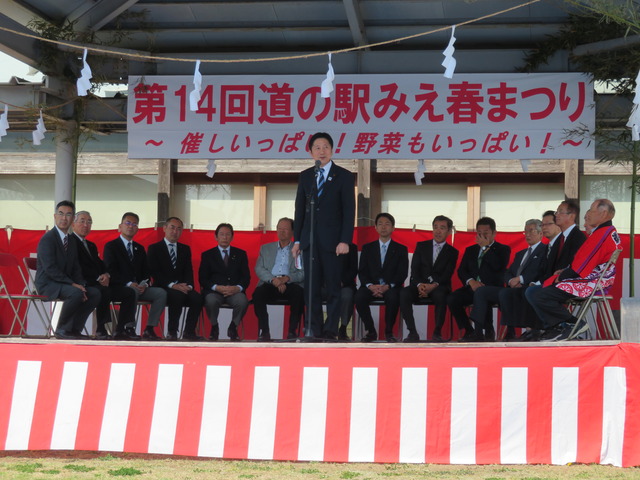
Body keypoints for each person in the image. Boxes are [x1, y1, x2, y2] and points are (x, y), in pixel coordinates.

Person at [291, 132, 355, 341]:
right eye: (317, 147)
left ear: (332, 150)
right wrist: (297, 240)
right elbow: (300, 211)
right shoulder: (306, 176)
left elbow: (349, 211)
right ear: (311, 152)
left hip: (334, 243)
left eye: (325, 146)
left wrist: (345, 240)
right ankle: (313, 329)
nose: (322, 151)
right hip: (310, 242)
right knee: (311, 289)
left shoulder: (343, 176)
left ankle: (330, 330)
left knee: (333, 289)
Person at [527, 199, 621, 341]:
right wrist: (565, 271)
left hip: (591, 282)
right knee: (537, 291)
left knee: (539, 293)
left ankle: (571, 324)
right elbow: (584, 263)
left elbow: (582, 266)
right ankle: (559, 326)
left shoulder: (602, 235)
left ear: (603, 214)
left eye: (591, 210)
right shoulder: (606, 232)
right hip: (593, 278)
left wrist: (562, 275)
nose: (587, 214)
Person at [469, 219, 546, 341]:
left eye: (531, 231)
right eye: (525, 231)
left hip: (529, 287)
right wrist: (510, 280)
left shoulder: (545, 251)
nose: (528, 234)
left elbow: (540, 271)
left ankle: (511, 333)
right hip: (512, 287)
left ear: (541, 234)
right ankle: (478, 333)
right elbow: (507, 272)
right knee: (481, 291)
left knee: (506, 293)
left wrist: (521, 279)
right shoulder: (521, 253)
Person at [35, 200, 100, 339]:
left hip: (64, 284)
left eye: (68, 214)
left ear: (72, 219)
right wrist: (72, 284)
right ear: (55, 216)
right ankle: (62, 329)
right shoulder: (48, 239)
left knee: (94, 293)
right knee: (75, 293)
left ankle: (75, 329)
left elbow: (76, 267)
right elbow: (50, 269)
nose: (64, 218)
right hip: (48, 284)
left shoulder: (71, 241)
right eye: (61, 214)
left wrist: (81, 284)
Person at [72, 210, 137, 340]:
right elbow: (77, 266)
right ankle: (101, 329)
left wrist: (106, 274)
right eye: (82, 221)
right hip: (82, 283)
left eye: (89, 222)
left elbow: (100, 264)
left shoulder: (90, 245)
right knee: (103, 291)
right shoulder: (70, 242)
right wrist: (98, 278)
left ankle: (121, 330)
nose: (86, 225)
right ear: (73, 224)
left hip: (98, 282)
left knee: (129, 292)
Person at [103, 212, 167, 340]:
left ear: (137, 229)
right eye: (127, 223)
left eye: (134, 224)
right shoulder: (111, 246)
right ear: (120, 226)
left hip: (138, 287)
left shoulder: (140, 248)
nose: (131, 226)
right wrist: (128, 283)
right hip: (119, 287)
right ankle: (127, 327)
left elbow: (146, 271)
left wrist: (145, 284)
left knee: (160, 293)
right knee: (131, 291)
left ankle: (149, 328)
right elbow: (111, 270)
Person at [447, 216, 510, 341]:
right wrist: (471, 281)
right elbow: (462, 270)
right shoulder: (471, 250)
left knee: (482, 294)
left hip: (493, 289)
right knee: (452, 298)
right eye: (479, 233)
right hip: (473, 287)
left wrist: (486, 248)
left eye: (485, 233)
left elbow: (498, 266)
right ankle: (469, 330)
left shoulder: (503, 249)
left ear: (494, 233)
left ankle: (485, 331)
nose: (482, 237)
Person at [400, 215, 459, 343]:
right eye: (435, 227)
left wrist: (433, 285)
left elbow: (447, 273)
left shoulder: (452, 252)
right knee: (404, 293)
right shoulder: (421, 246)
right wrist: (420, 284)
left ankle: (437, 332)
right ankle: (412, 332)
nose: (438, 231)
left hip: (439, 286)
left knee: (441, 295)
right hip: (419, 285)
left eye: (442, 228)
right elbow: (414, 268)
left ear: (449, 232)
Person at [147, 217, 204, 341]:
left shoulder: (185, 249)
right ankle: (172, 332)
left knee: (197, 298)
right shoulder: (154, 248)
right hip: (164, 286)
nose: (175, 231)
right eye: (172, 227)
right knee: (177, 296)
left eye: (179, 229)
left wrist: (189, 286)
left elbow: (189, 270)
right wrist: (172, 285)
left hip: (182, 286)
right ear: (164, 228)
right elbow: (154, 272)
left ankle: (189, 332)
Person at [355, 213, 409, 343]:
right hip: (370, 286)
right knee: (359, 297)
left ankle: (389, 332)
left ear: (393, 228)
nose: (383, 227)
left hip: (390, 287)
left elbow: (402, 273)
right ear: (375, 228)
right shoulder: (368, 248)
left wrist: (388, 286)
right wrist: (370, 285)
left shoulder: (401, 249)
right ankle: (371, 331)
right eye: (380, 224)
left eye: (387, 224)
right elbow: (362, 271)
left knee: (393, 297)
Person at [252, 217, 304, 341]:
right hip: (271, 282)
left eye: (285, 229)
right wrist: (273, 280)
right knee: (258, 294)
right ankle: (264, 332)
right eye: (279, 229)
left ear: (293, 232)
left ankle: (292, 332)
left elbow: (303, 273)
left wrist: (286, 279)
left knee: (299, 294)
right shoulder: (266, 248)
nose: (281, 231)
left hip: (290, 283)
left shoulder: (299, 250)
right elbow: (259, 268)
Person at [199, 223, 251, 341]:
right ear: (216, 237)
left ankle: (233, 327)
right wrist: (217, 287)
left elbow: (246, 277)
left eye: (228, 235)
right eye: (221, 234)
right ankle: (214, 326)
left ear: (232, 237)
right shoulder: (208, 255)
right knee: (211, 300)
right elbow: (203, 278)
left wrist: (237, 288)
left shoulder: (240, 254)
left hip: (234, 292)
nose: (225, 237)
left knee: (242, 301)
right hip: (215, 291)